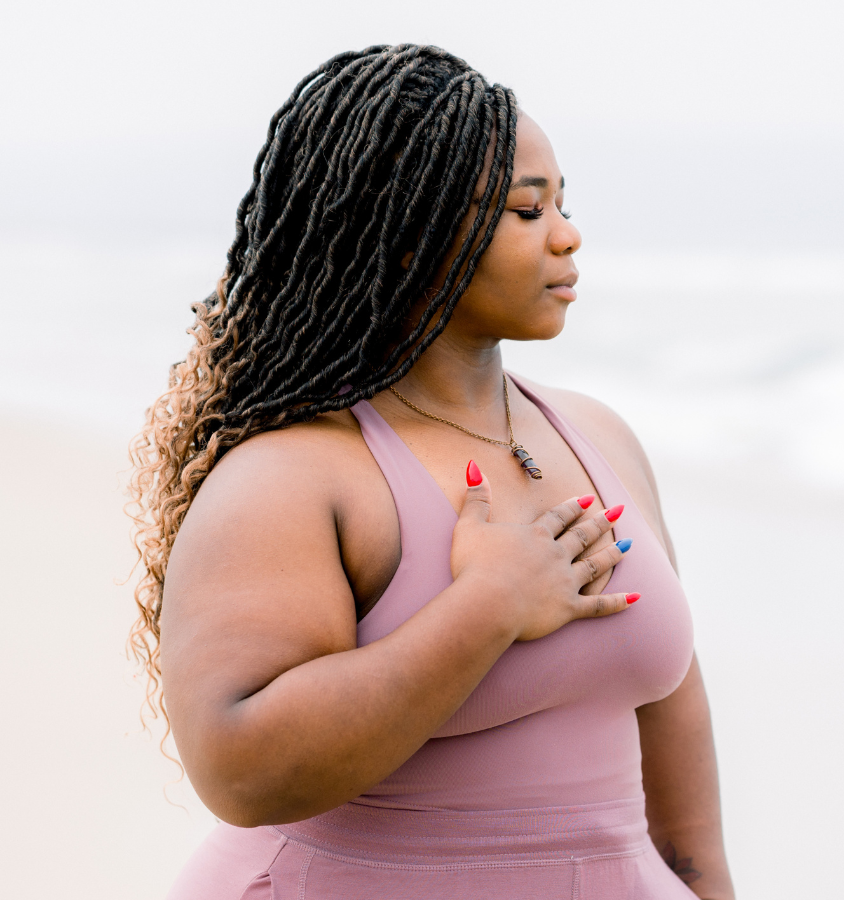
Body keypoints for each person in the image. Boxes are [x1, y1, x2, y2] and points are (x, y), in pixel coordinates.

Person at [127, 44, 733, 899]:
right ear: (408, 237)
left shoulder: (598, 436)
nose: (567, 233)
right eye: (528, 211)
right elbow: (239, 769)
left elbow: (672, 708)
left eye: (563, 202)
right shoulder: (297, 474)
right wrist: (485, 610)